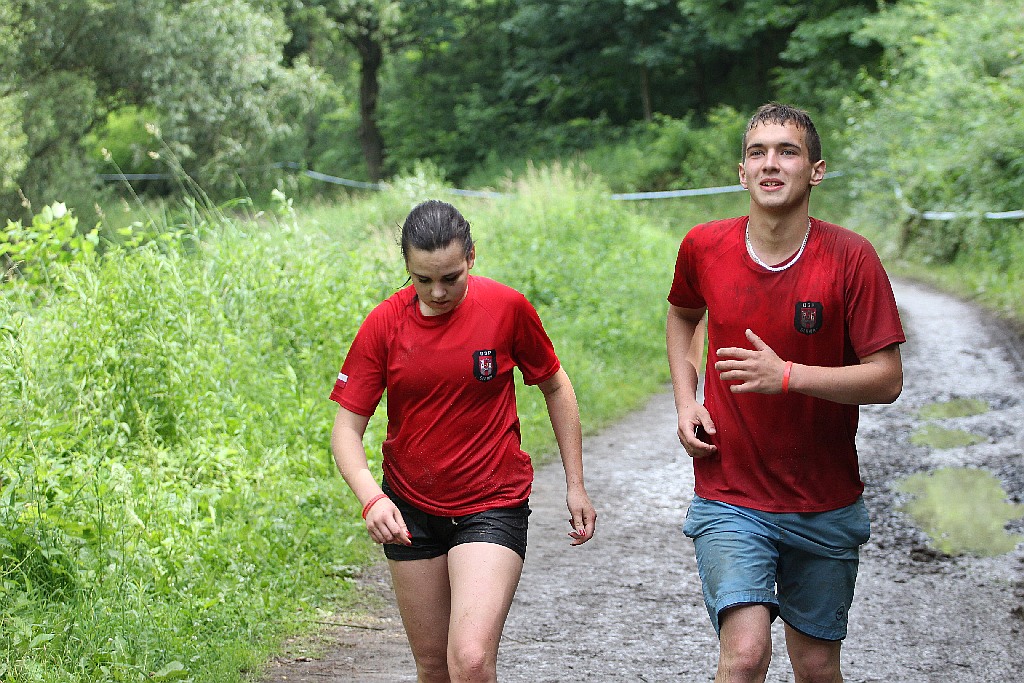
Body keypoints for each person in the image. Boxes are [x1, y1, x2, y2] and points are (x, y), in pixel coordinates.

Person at [666, 103, 905, 683]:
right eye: (758, 153)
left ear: (815, 171)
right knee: (745, 655)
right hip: (731, 493)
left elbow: (887, 377)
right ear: (742, 171)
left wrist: (789, 376)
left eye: (787, 152)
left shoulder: (852, 258)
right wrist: (685, 398)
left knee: (817, 667)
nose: (771, 165)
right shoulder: (703, 246)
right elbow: (681, 315)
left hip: (824, 501)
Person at [329, 199, 596, 683]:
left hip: (492, 502)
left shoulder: (507, 309)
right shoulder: (384, 325)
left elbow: (555, 385)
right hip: (410, 508)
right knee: (433, 666)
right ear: (407, 268)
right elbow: (346, 430)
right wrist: (371, 498)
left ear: (471, 256)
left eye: (450, 277)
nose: (437, 292)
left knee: (470, 660)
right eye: (422, 279)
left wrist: (575, 483)